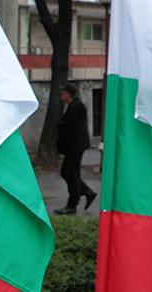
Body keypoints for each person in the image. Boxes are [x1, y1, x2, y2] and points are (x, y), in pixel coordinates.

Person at [55, 82, 96, 215]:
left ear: (69, 94)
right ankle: (86, 192)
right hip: (73, 148)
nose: (62, 94)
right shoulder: (73, 106)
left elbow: (72, 130)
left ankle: (72, 204)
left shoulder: (77, 107)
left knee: (70, 174)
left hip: (74, 148)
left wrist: (65, 144)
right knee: (68, 173)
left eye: (64, 92)